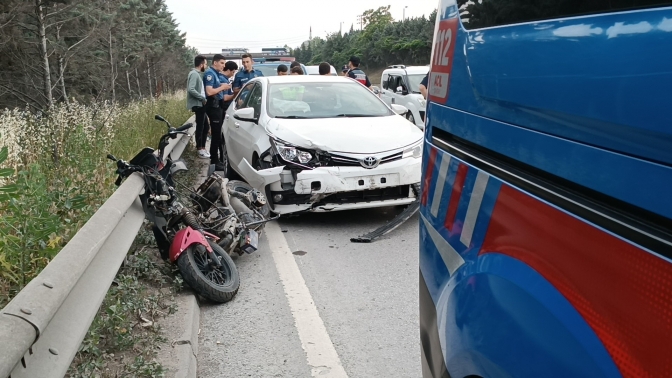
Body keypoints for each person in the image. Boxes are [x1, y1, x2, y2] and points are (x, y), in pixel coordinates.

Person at [203, 54, 232, 169]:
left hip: (218, 106)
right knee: (216, 135)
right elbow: (209, 92)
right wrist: (222, 88)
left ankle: (217, 159)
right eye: (222, 63)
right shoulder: (210, 73)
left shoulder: (215, 74)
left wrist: (222, 85)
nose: (223, 66)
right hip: (213, 106)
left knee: (218, 134)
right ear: (215, 62)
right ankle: (214, 161)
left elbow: (215, 86)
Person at [187, 55, 209, 159]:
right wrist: (202, 98)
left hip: (201, 104)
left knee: (205, 126)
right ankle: (199, 149)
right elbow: (191, 89)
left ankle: (202, 148)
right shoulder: (194, 74)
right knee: (201, 127)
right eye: (205, 63)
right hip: (198, 104)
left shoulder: (197, 74)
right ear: (201, 65)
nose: (206, 65)